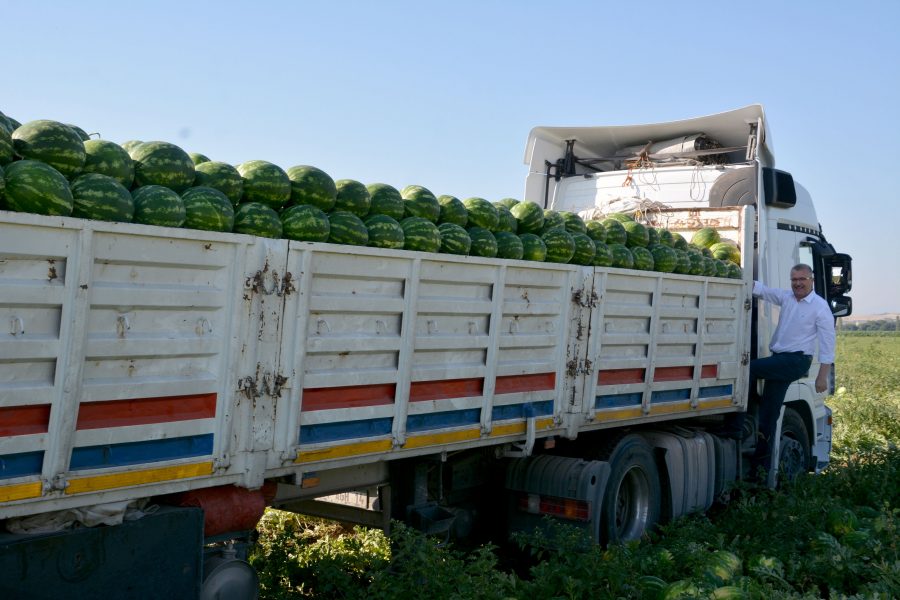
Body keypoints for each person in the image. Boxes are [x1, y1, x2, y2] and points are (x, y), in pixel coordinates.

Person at [746, 263, 836, 480]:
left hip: (796, 361)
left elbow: (827, 344)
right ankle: (762, 470)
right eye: (794, 280)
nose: (798, 283)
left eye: (802, 279)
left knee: (748, 369)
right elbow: (764, 291)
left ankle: (739, 422)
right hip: (781, 360)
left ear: (811, 280)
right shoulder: (787, 298)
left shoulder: (820, 307)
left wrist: (822, 376)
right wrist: (743, 278)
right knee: (769, 415)